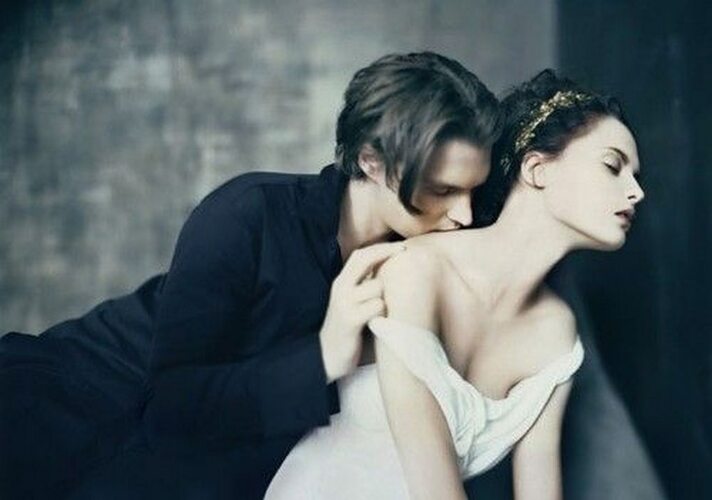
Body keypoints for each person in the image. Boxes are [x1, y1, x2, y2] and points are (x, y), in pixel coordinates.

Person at [0, 51, 501, 499]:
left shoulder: (427, 250)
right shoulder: (248, 212)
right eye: (442, 190)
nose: (464, 214)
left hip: (187, 454)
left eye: (473, 190)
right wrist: (323, 356)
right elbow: (170, 406)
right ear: (372, 162)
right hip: (73, 398)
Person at [265, 69, 645, 499]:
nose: (636, 192)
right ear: (537, 169)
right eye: (613, 166)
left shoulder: (556, 331)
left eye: (636, 176)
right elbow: (432, 485)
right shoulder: (417, 268)